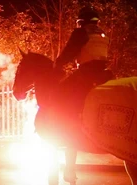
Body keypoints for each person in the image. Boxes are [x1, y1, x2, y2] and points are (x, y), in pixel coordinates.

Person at [53, 6, 114, 184]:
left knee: (60, 94)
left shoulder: (81, 33)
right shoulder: (103, 34)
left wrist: (58, 64)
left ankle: (69, 126)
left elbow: (68, 53)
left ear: (81, 21)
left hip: (86, 73)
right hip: (105, 73)